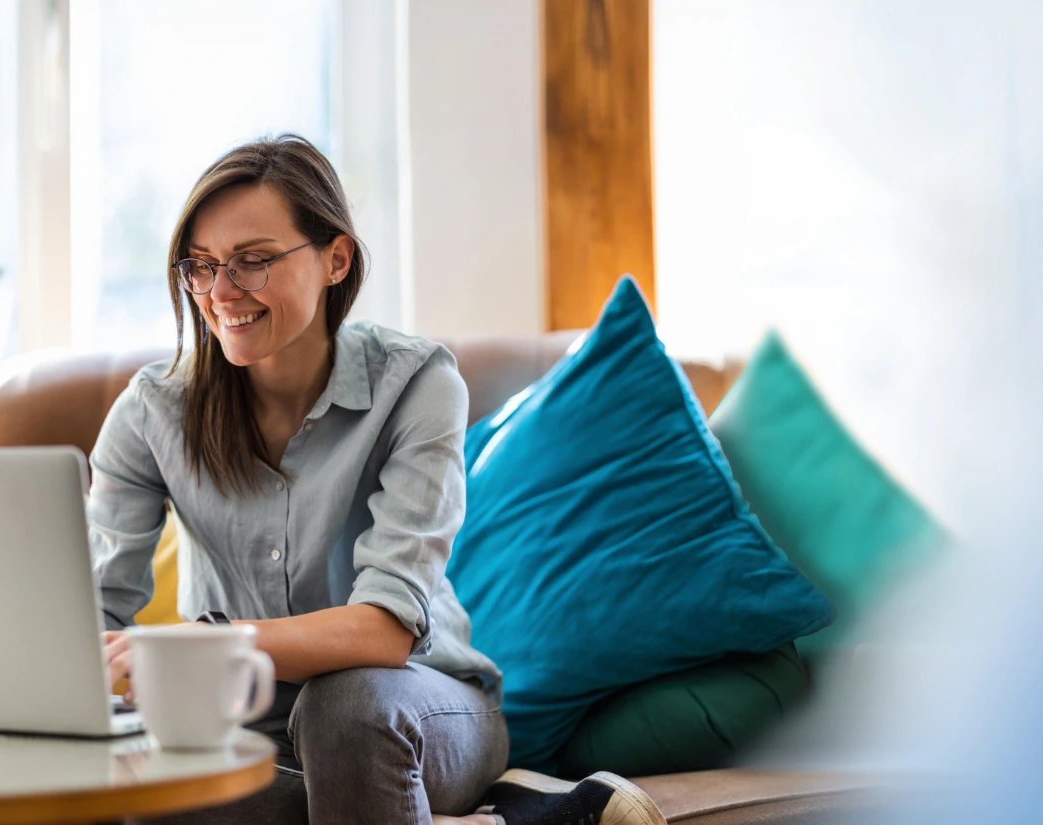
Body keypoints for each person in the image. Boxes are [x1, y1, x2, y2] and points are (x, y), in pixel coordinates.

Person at [90, 134, 662, 825]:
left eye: (253, 261)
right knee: (146, 798)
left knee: (346, 706)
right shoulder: (152, 411)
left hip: (418, 707)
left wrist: (206, 643)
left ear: (336, 258)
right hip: (240, 729)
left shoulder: (417, 383)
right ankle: (521, 816)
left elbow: (385, 630)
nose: (221, 293)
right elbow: (93, 610)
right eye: (201, 266)